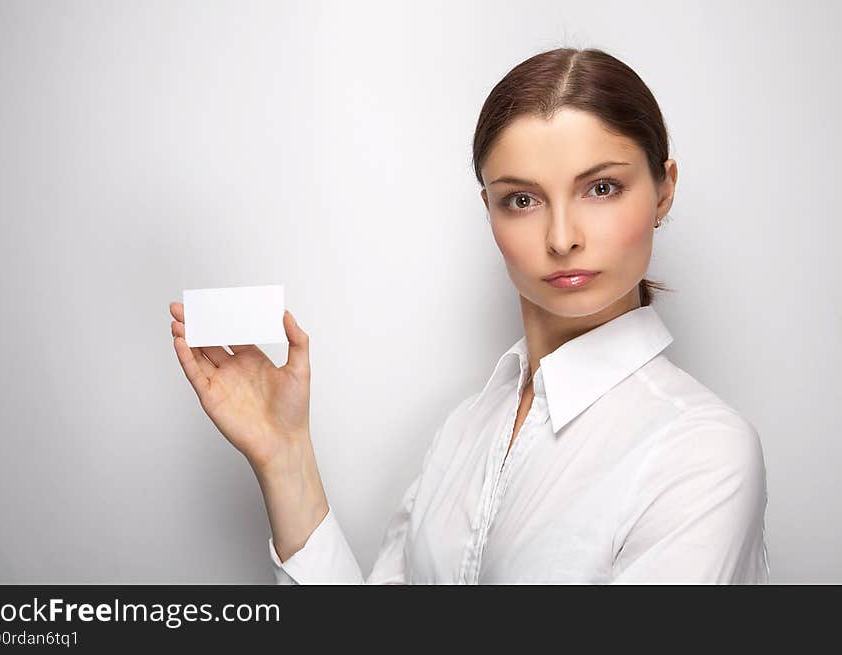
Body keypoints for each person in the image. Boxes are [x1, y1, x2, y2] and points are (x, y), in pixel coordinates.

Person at [168, 47, 770, 584]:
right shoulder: (465, 429)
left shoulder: (702, 454)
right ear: (490, 210)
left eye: (602, 188)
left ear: (663, 190)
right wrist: (284, 454)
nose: (562, 238)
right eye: (522, 200)